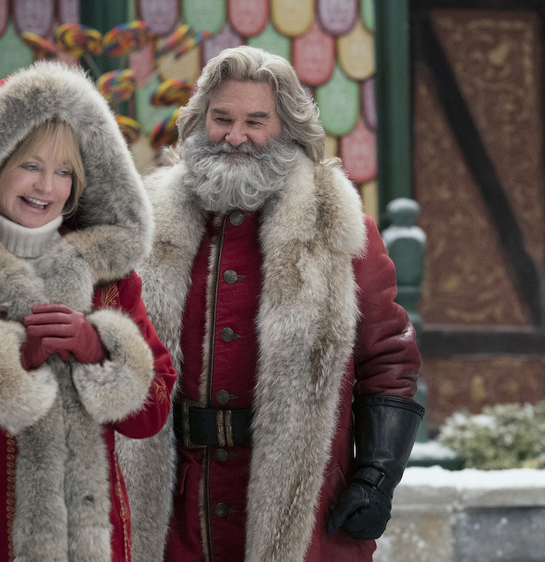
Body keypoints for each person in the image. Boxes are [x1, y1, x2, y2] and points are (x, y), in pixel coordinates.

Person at [116, 45, 424, 561]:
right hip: (174, 514)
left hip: (302, 511)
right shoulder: (148, 225)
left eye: (256, 121)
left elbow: (389, 357)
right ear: (199, 121)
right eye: (222, 118)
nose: (236, 137)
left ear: (287, 128)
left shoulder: (339, 229)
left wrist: (376, 475)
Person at [0, 60, 177, 561]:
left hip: (91, 539)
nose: (47, 186)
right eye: (30, 165)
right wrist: (15, 359)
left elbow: (152, 410)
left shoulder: (110, 278)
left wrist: (96, 350)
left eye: (64, 171)